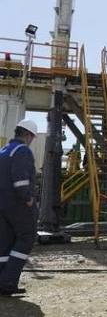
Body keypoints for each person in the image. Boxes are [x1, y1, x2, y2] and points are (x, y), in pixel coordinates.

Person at [0, 119, 38, 295]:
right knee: (26, 237)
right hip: (17, 203)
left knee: (5, 243)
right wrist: (28, 198)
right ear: (28, 136)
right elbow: (20, 179)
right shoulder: (22, 151)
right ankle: (8, 282)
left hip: (2, 203)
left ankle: (2, 280)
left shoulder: (4, 150)